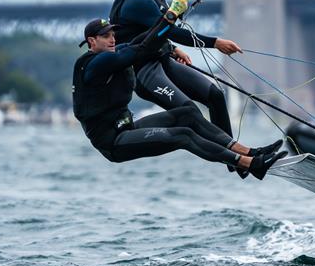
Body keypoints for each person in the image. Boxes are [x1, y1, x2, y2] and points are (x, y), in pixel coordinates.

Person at [72, 13, 286, 179]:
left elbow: (143, 39)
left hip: (126, 128)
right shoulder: (96, 63)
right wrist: (169, 17)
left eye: (113, 34)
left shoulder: (112, 53)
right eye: (105, 36)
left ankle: (250, 152)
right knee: (183, 135)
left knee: (186, 115)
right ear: (91, 41)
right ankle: (250, 165)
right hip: (113, 142)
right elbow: (142, 50)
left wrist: (171, 20)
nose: (112, 39)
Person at [109, 0, 241, 137]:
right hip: (143, 72)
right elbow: (171, 30)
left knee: (215, 95)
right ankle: (237, 158)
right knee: (190, 113)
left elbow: (155, 31)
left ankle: (237, 159)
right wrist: (215, 42)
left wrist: (172, 48)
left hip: (161, 62)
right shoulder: (137, 1)